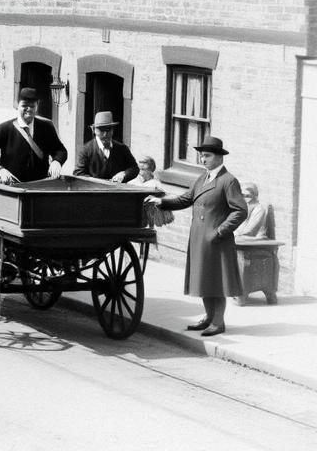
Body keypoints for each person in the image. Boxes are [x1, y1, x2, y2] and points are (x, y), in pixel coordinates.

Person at [144, 136, 247, 336]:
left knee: (217, 281)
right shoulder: (202, 178)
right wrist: (161, 202)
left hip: (217, 239)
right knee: (204, 278)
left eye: (207, 156)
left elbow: (241, 211)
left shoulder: (228, 181)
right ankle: (208, 317)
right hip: (200, 237)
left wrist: (220, 231)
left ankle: (218, 322)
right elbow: (185, 199)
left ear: (219, 158)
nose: (203, 159)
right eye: (201, 156)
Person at [0, 87, 67, 184]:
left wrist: (57, 161)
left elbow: (60, 150)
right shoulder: (5, 128)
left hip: (40, 186)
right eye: (24, 106)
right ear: (17, 105)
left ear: (37, 106)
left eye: (32, 106)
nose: (28, 109)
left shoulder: (46, 127)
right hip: (12, 186)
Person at [73, 111, 138, 183]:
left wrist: (124, 174)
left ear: (113, 130)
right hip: (94, 189)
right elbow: (78, 174)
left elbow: (134, 168)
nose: (105, 134)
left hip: (118, 189)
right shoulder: (86, 150)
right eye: (101, 130)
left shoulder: (122, 149)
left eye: (108, 130)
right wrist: (98, 182)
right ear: (94, 130)